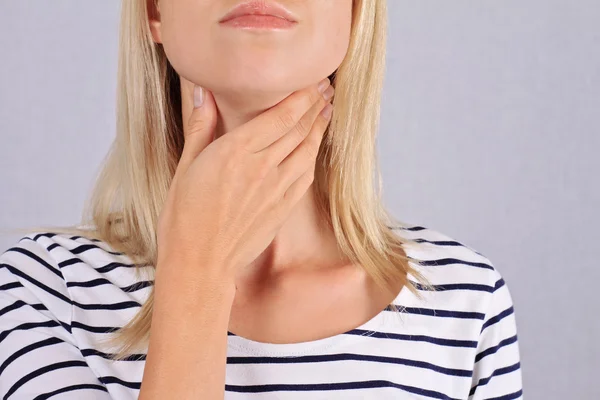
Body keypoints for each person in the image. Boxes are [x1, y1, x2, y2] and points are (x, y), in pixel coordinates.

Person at [0, 0, 523, 399]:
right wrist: (198, 275)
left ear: (354, 13)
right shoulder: (36, 289)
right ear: (156, 10)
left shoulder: (463, 299)